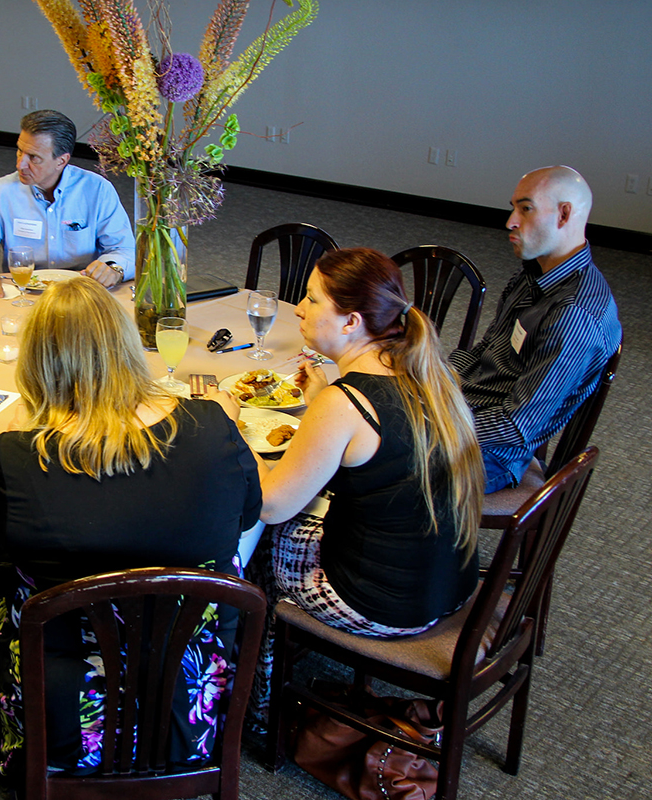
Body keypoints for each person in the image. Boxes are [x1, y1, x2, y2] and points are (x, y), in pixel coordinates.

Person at [0, 277, 261, 782]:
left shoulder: (13, 456)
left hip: (66, 720)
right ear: (127, 346)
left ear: (37, 362)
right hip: (189, 705)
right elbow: (248, 516)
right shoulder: (211, 427)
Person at [248, 247, 483, 718]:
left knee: (260, 543)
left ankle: (256, 700)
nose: (300, 309)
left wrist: (236, 440)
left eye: (312, 300)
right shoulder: (429, 372)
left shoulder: (347, 403)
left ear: (352, 322)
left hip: (383, 607)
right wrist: (323, 404)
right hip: (448, 585)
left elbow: (271, 505)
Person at [449, 166, 621, 493]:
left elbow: (517, 426)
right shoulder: (532, 274)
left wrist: (433, 426)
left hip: (490, 451)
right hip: (464, 408)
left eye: (525, 209)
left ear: (564, 214)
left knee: (369, 466)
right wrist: (431, 378)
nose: (510, 222)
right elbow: (485, 349)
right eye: (514, 208)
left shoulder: (573, 315)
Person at [0, 110, 135, 296]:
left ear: (61, 161)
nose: (20, 164)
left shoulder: (97, 190)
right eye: (20, 151)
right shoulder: (0, 192)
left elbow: (124, 250)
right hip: (23, 296)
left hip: (82, 297)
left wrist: (114, 269)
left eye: (33, 158)